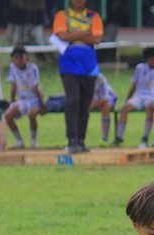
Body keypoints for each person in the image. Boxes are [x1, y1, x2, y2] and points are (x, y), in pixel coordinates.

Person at [53, 0, 104, 153]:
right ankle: (71, 138)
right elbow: (61, 35)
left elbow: (96, 39)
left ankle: (81, 138)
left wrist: (72, 36)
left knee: (84, 104)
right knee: (73, 101)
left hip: (89, 67)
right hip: (69, 66)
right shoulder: (62, 16)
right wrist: (85, 33)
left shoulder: (93, 16)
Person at [114, 47, 154, 148]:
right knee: (125, 108)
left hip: (153, 96)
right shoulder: (140, 68)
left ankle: (145, 137)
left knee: (150, 107)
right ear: (150, 59)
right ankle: (119, 137)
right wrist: (127, 100)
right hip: (139, 95)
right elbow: (134, 86)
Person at [4, 45, 47, 149]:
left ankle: (33, 140)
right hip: (22, 99)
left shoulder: (32, 68)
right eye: (16, 58)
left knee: (32, 114)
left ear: (26, 58)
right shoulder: (13, 68)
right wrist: (12, 102)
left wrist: (42, 104)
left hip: (34, 99)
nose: (19, 60)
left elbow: (35, 87)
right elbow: (14, 86)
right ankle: (19, 140)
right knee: (8, 115)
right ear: (13, 59)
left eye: (21, 57)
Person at [89, 72, 118, 147]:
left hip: (109, 98)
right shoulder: (82, 76)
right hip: (95, 99)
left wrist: (94, 104)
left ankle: (105, 139)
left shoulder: (100, 78)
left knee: (105, 107)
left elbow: (105, 98)